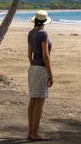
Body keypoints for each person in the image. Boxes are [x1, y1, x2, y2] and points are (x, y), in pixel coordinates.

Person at [27, 10, 53, 141]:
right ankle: (35, 133)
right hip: (41, 69)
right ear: (44, 22)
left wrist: (34, 65)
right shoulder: (43, 33)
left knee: (33, 100)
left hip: (32, 68)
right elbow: (45, 56)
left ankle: (31, 132)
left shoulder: (31, 33)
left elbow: (29, 54)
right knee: (40, 102)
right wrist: (50, 74)